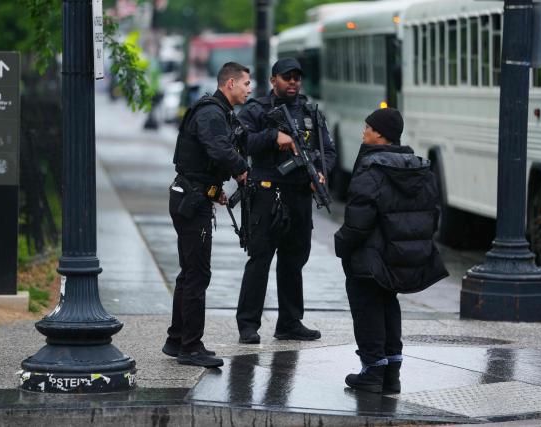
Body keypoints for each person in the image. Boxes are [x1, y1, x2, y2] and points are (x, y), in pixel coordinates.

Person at [334, 108, 448, 393]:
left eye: (368, 128)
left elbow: (357, 223)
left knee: (366, 308)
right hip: (398, 257)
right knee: (388, 306)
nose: (364, 132)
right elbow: (430, 216)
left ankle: (372, 372)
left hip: (369, 258)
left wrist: (341, 244)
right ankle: (391, 375)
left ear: (380, 135)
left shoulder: (372, 170)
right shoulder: (419, 167)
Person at [235, 57, 336, 344]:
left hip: (299, 194)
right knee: (260, 258)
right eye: (286, 77)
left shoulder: (310, 112)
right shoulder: (256, 110)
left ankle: (290, 322)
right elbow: (239, 141)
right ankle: (248, 324)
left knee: (294, 260)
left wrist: (320, 171)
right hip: (267, 192)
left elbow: (327, 150)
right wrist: (272, 137)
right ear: (273, 80)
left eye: (296, 77)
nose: (292, 82)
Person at [163, 62, 251, 368]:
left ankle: (176, 340)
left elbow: (204, 163)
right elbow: (218, 150)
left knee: (189, 273)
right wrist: (242, 171)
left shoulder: (217, 112)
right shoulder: (212, 113)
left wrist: (215, 189)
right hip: (191, 202)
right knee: (197, 274)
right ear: (229, 83)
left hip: (193, 196)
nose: (248, 89)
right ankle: (191, 346)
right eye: (245, 83)